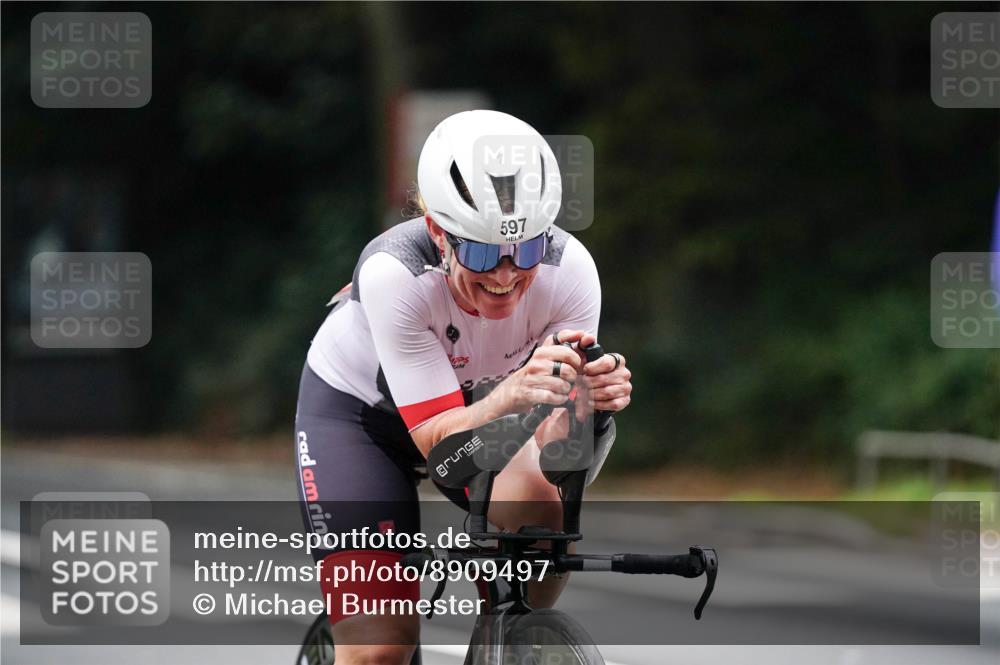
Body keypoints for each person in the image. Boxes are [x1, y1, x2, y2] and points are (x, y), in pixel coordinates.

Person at [295, 109, 632, 665]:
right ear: (437, 232)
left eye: (524, 250)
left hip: (492, 413)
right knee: (380, 647)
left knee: (540, 523)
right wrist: (510, 394)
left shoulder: (571, 271)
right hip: (362, 419)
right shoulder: (394, 274)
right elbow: (442, 450)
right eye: (479, 251)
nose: (504, 275)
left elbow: (556, 446)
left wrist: (590, 405)